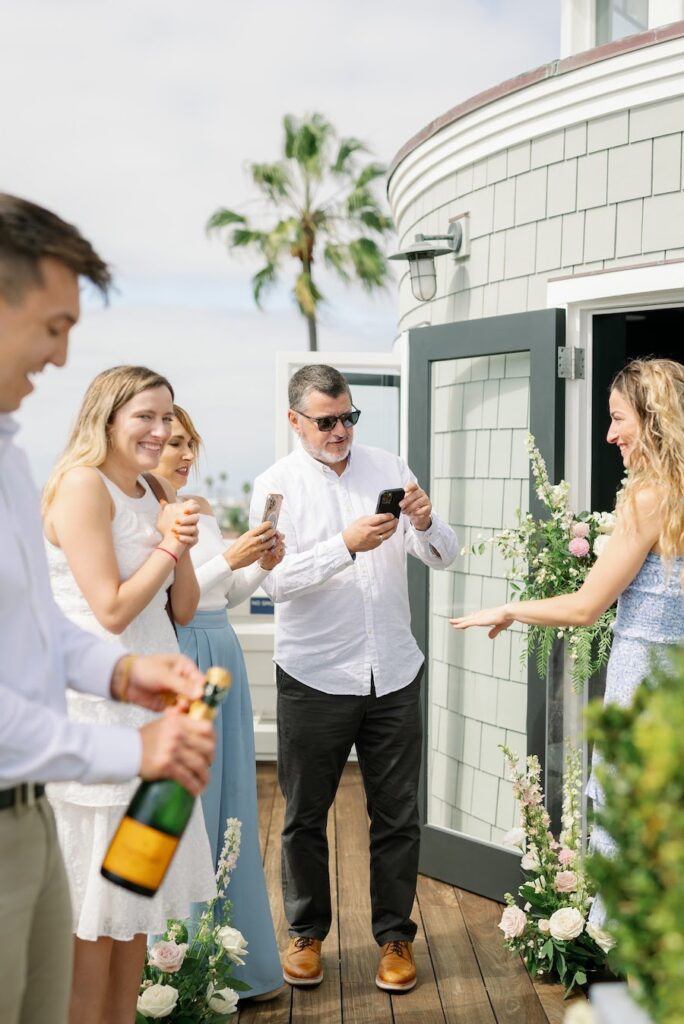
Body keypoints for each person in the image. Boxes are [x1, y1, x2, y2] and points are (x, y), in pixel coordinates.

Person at [0, 193, 215, 1024]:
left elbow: (39, 626)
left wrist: (125, 672)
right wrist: (123, 745)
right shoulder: (77, 483)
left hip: (56, 774)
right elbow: (102, 604)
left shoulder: (14, 458)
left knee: (100, 949)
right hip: (76, 756)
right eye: (54, 325)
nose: (61, 356)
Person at [451, 357, 684, 926]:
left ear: (653, 419)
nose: (609, 435)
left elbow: (585, 607)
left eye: (618, 418)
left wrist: (510, 606)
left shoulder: (650, 498)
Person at [248, 363, 458, 993]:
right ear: (294, 421)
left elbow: (445, 554)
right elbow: (272, 581)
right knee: (305, 816)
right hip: (315, 674)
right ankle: (307, 935)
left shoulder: (391, 467)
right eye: (326, 420)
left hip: (394, 669)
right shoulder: (275, 485)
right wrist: (345, 544)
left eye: (348, 417)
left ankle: (395, 939)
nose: (340, 430)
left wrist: (423, 520)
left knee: (397, 816)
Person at [42, 367, 219, 1024]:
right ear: (108, 418)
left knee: (133, 920)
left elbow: (186, 607)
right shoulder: (82, 486)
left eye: (168, 416)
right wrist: (168, 542)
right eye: (146, 415)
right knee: (92, 929)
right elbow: (111, 610)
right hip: (103, 718)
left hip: (163, 717)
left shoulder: (152, 487)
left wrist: (180, 534)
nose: (163, 429)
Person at [155, 404, 286, 1001]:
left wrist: (257, 566)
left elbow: (222, 594)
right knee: (193, 810)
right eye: (172, 443)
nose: (184, 454)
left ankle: (232, 964)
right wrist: (226, 559)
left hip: (222, 651)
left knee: (232, 796)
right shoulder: (147, 514)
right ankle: (178, 964)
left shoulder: (200, 509)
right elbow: (169, 595)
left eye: (189, 443)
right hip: (182, 650)